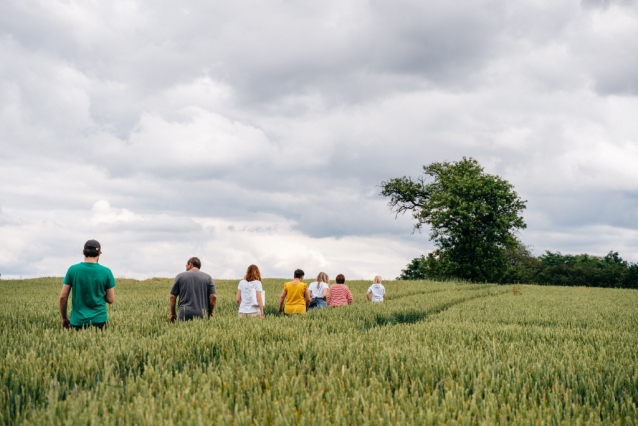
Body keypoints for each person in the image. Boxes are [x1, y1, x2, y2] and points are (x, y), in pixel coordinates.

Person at [59, 240, 116, 330]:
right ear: (99, 253)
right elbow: (111, 299)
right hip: (100, 321)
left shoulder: (72, 269)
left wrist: (64, 318)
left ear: (83, 252)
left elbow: (63, 297)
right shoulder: (106, 272)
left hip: (77, 322)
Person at [170, 257, 217, 322]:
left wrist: (173, 314)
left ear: (190, 264)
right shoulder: (208, 278)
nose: (186, 267)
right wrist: (210, 312)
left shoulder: (179, 276)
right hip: (202, 314)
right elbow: (213, 297)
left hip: (183, 314)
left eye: (186, 265)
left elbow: (172, 297)